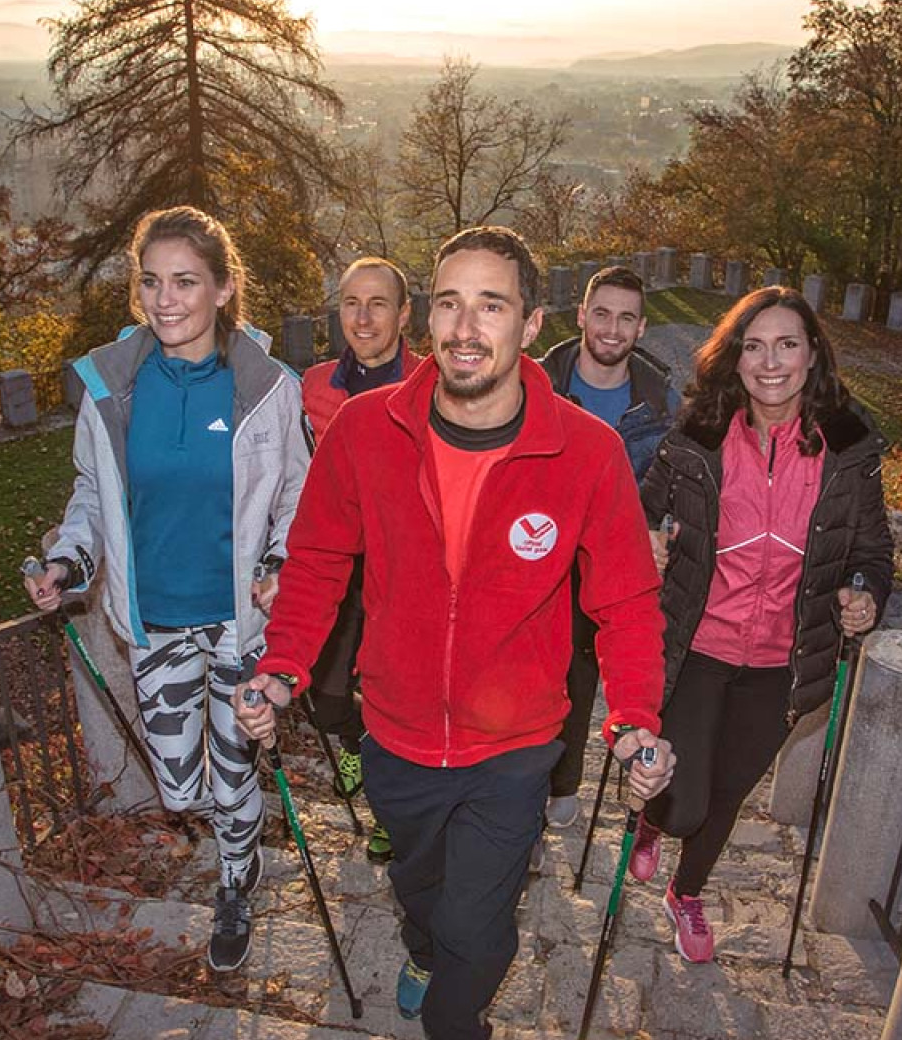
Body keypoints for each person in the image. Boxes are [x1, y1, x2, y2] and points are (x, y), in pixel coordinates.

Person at [237, 226, 676, 1040]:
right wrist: (282, 665)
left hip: (513, 750)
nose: (465, 327)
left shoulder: (588, 451)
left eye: (491, 305)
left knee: (474, 932)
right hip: (396, 736)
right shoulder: (367, 432)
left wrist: (635, 717)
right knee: (419, 887)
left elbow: (626, 603)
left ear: (533, 324)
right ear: (427, 318)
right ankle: (418, 941)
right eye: (449, 302)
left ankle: (454, 1008)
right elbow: (318, 562)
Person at [25, 206, 309, 973]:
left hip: (237, 625)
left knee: (234, 762)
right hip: (153, 621)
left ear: (223, 289)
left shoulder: (267, 390)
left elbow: (297, 499)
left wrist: (280, 565)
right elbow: (92, 495)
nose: (165, 298)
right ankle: (228, 833)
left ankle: (234, 880)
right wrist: (68, 564)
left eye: (185, 281)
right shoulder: (112, 386)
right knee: (183, 787)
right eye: (151, 281)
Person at [630, 285, 892, 964]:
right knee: (684, 803)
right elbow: (638, 514)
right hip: (698, 646)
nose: (770, 361)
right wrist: (648, 540)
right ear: (735, 358)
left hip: (786, 659)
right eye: (754, 345)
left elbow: (871, 549)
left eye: (787, 344)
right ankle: (654, 819)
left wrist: (864, 592)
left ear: (812, 357)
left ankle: (686, 893)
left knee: (726, 795)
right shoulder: (698, 436)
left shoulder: (850, 448)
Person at [535, 265, 678, 833]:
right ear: (581, 316)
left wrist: (662, 532)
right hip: (540, 559)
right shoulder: (539, 384)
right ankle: (523, 800)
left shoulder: (660, 402)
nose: (611, 328)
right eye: (602, 313)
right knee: (534, 680)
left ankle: (560, 787)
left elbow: (672, 489)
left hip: (608, 567)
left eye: (625, 317)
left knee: (580, 683)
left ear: (641, 327)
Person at [299, 256, 423, 864]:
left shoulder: (430, 381)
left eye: (378, 304)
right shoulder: (314, 386)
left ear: (404, 315)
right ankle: (351, 739)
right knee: (325, 700)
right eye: (351, 303)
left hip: (406, 572)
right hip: (337, 567)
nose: (364, 317)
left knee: (392, 701)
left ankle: (389, 815)